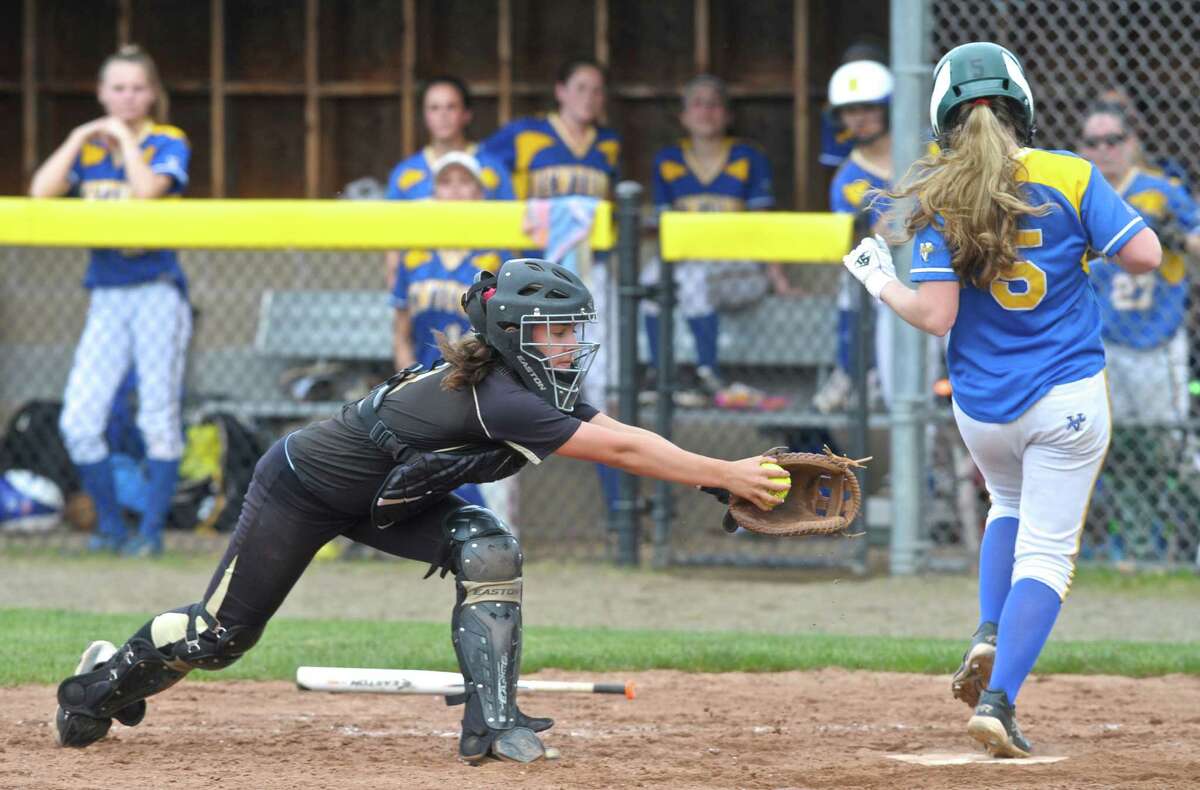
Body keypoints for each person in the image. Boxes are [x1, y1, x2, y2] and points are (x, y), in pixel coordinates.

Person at [52, 258, 788, 765]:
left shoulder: (525, 390)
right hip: (301, 489)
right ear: (512, 335)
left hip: (384, 501)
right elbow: (621, 455)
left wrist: (712, 480)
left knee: (489, 546)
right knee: (220, 638)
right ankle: (96, 683)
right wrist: (726, 470)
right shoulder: (501, 395)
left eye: (571, 332)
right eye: (553, 332)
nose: (568, 346)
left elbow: (624, 434)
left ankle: (492, 722)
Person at [842, 42, 1160, 757]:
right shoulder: (1070, 174)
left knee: (1006, 506)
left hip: (982, 408)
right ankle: (998, 701)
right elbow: (1144, 257)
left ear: (943, 117)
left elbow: (936, 317)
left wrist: (877, 278)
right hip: (1066, 397)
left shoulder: (936, 191)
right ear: (1022, 105)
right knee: (1047, 557)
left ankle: (989, 629)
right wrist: (1079, 242)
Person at [29, 44, 192, 557]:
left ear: (153, 93)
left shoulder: (167, 139)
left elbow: (147, 193)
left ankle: (149, 533)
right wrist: (81, 136)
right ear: (101, 92)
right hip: (106, 295)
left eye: (138, 87)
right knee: (79, 419)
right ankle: (110, 529)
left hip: (157, 294)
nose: (127, 96)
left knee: (157, 416)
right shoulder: (89, 145)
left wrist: (123, 138)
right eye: (117, 88)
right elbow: (40, 193)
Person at [481, 59, 622, 516]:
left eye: (598, 90)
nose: (589, 97)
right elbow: (484, 173)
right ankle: (499, 514)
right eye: (581, 87)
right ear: (560, 90)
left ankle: (619, 513)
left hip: (589, 277)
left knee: (601, 387)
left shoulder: (608, 145)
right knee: (515, 385)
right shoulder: (525, 135)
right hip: (532, 283)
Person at [640, 74, 787, 407]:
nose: (706, 111)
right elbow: (663, 227)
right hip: (691, 266)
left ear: (727, 114)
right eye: (697, 103)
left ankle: (708, 373)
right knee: (650, 278)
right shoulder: (668, 160)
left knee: (693, 279)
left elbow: (764, 225)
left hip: (741, 272)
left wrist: (777, 278)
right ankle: (657, 371)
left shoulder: (749, 157)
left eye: (714, 104)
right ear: (684, 116)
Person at [392, 150, 507, 509]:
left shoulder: (497, 254)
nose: (455, 190)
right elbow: (401, 330)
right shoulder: (416, 256)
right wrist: (407, 379)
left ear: (479, 193)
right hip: (428, 383)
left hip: (481, 385)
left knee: (489, 487)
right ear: (434, 192)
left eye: (464, 182)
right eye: (446, 182)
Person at [1080, 100, 1200, 425]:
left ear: (1131, 142)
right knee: (1104, 438)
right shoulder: (1079, 194)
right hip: (1100, 341)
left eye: (1114, 140)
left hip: (1158, 337)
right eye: (1093, 142)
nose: (1104, 150)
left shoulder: (1161, 191)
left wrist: (1177, 238)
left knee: (1167, 436)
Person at [814, 58, 895, 414]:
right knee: (853, 283)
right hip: (888, 274)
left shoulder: (931, 153)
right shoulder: (847, 177)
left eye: (867, 108)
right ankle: (854, 371)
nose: (858, 119)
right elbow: (855, 247)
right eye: (849, 111)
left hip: (946, 268)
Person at [384, 76, 514, 292]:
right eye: (434, 108)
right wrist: (392, 275)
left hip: (481, 282)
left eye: (451, 107)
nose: (443, 115)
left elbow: (511, 232)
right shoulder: (405, 174)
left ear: (466, 114)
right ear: (424, 115)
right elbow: (392, 237)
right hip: (424, 285)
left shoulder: (493, 170)